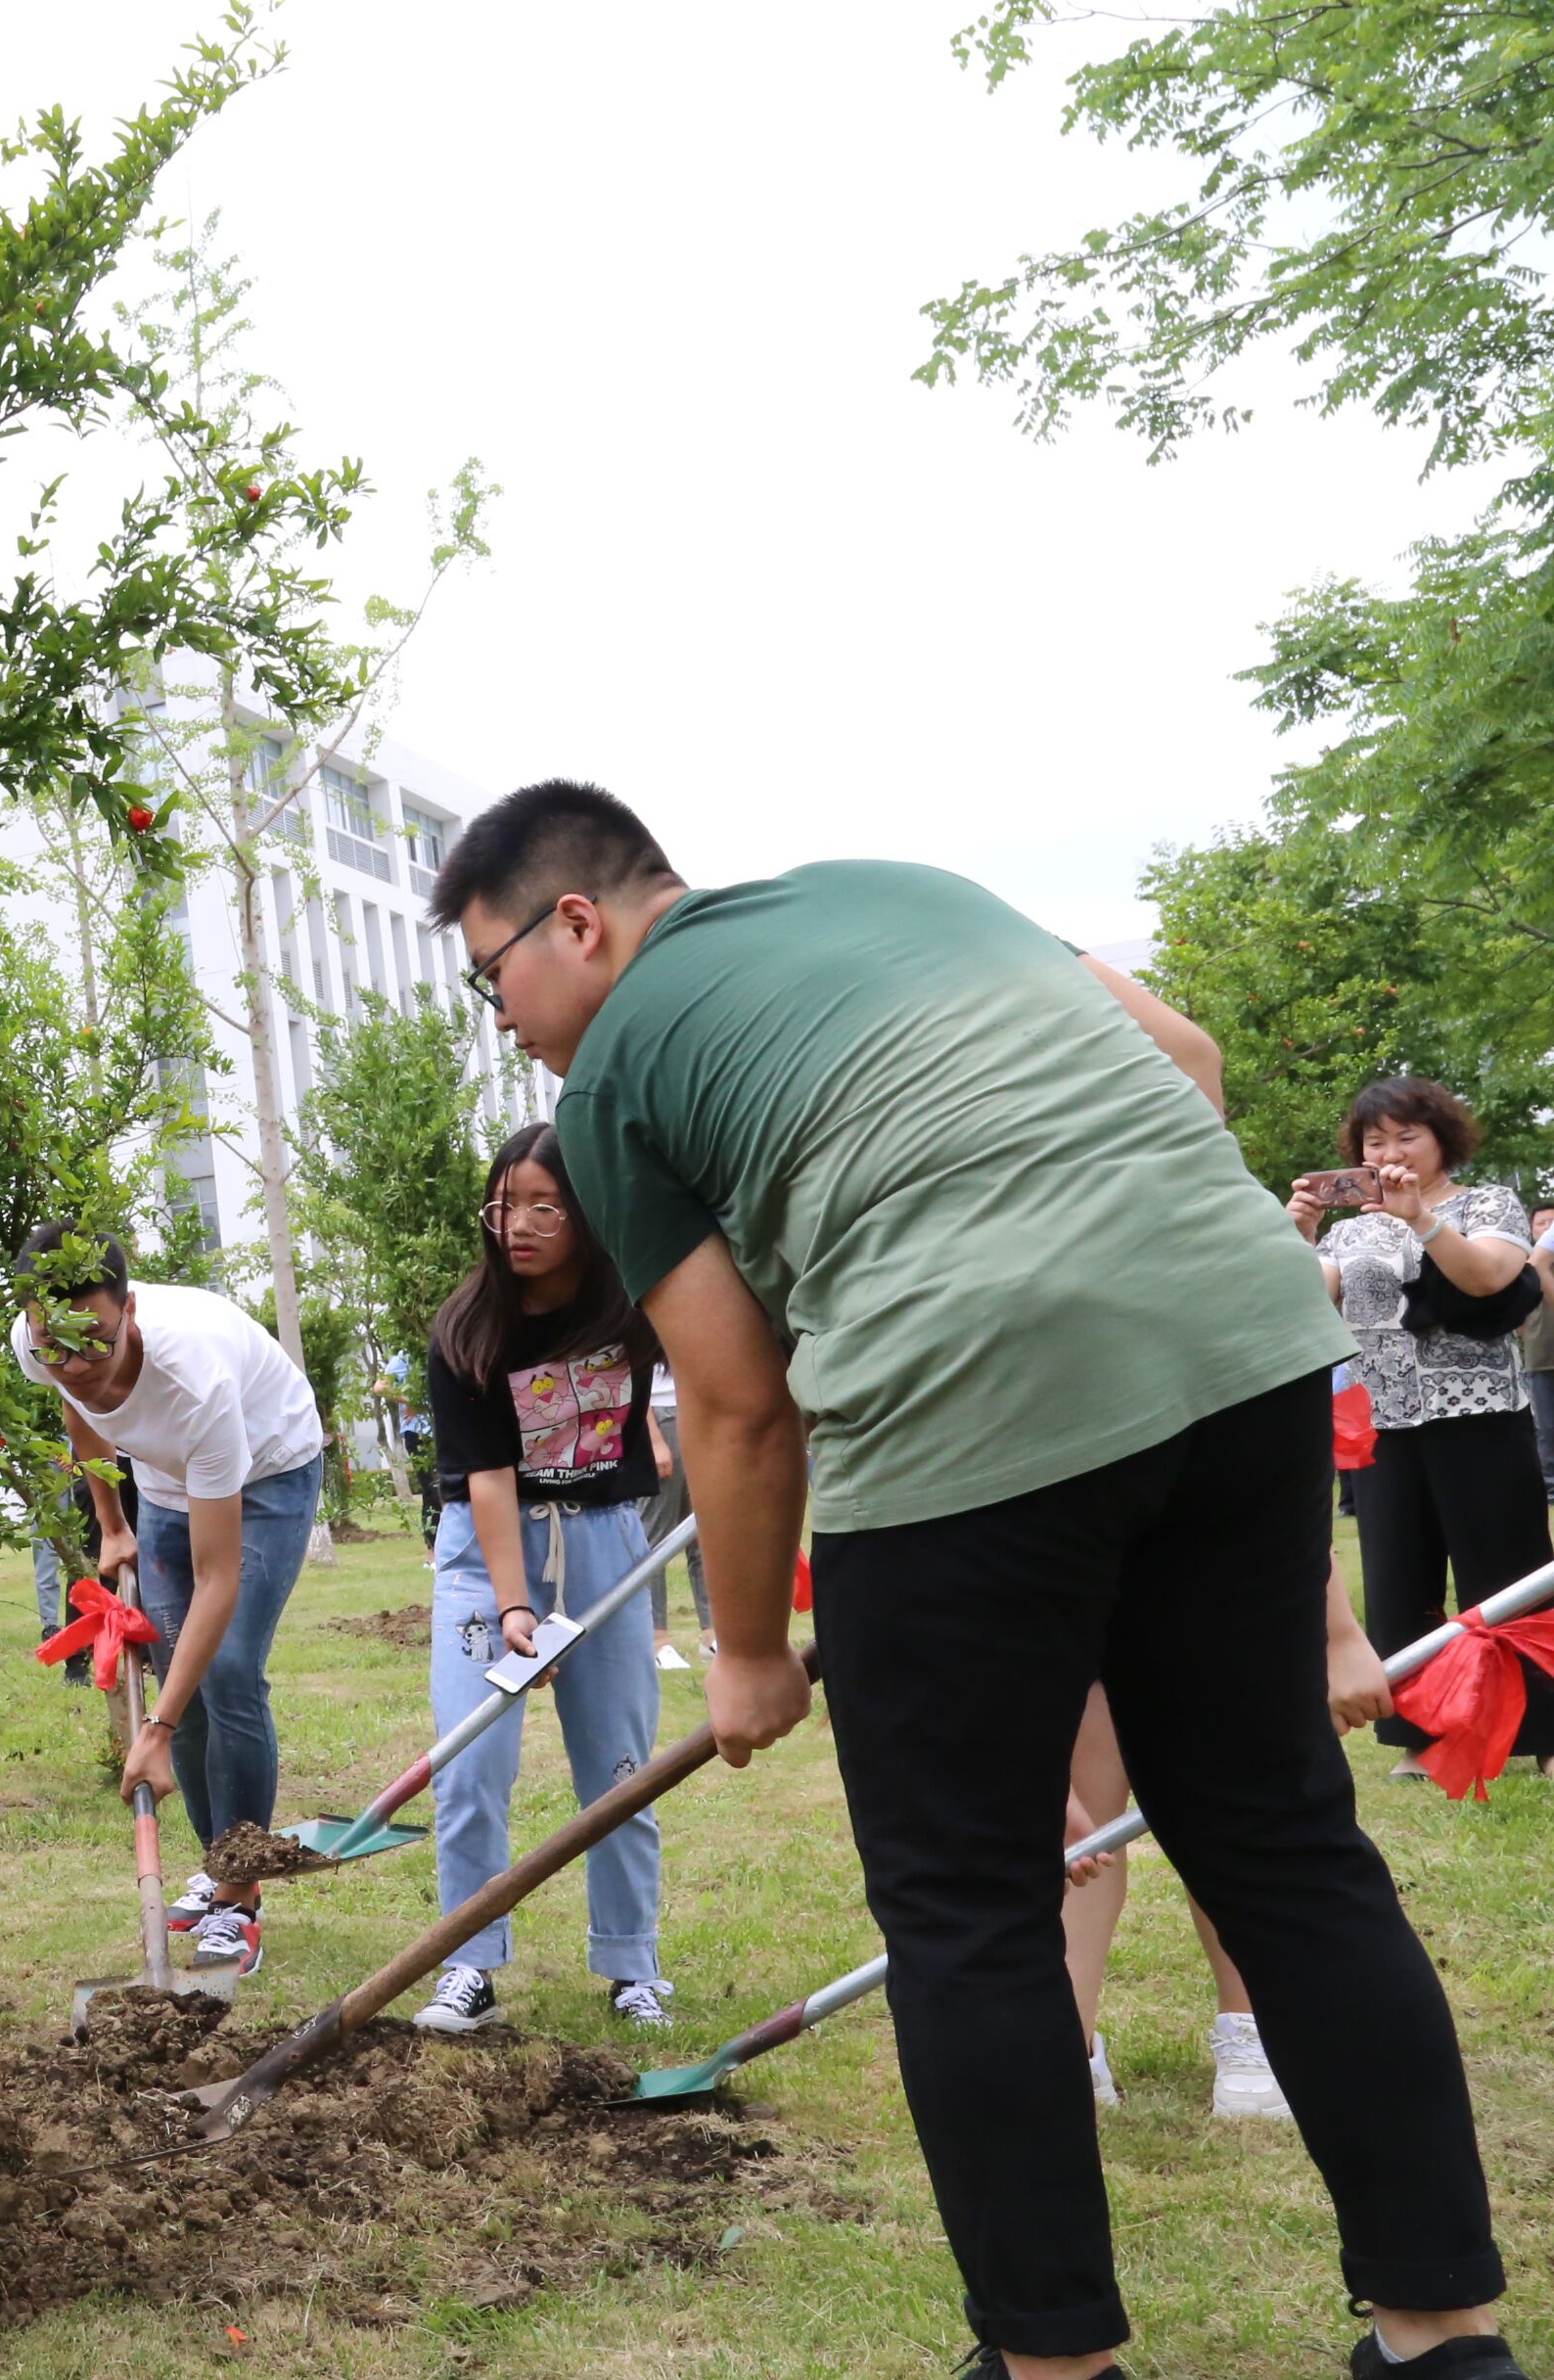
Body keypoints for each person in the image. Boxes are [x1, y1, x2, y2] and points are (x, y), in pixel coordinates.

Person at [439, 776, 1520, 2380]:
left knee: (968, 1907)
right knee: (1282, 1840)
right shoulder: (902, 886)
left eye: (494, 977)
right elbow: (1188, 1065)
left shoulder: (614, 1085)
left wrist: (743, 1652)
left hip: (963, 1402)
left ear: (576, 922)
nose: (505, 1022)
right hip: (1238, 1341)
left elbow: (735, 1402)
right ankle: (1442, 2339)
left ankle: (1051, 2364)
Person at [407, 1121, 677, 2038]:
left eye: (540, 1205)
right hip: (487, 1558)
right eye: (503, 1203)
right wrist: (516, 1603)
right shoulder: (466, 1330)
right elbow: (486, 1477)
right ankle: (468, 1965)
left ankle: (632, 1964)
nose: (514, 1223)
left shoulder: (637, 1304)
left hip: (603, 1542)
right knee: (471, 1768)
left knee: (619, 1769)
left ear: (585, 1213)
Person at [14, 1223, 325, 1978]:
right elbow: (78, 1411)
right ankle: (218, 1861)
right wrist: (112, 1522)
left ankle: (241, 1895)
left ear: (131, 1313)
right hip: (158, 1483)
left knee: (227, 1671)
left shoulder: (197, 1379)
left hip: (266, 1472)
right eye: (55, 1346)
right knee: (169, 1672)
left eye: (98, 1344)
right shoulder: (42, 1342)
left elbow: (220, 1578)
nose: (77, 1364)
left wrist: (151, 1730)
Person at [1063, 1555, 1394, 2124]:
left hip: (1210, 1582)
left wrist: (1338, 1630)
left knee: (1230, 1814)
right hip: (1075, 1574)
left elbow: (1288, 1475)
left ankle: (1250, 2025)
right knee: (1083, 1833)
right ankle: (1067, 2041)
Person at [1287, 1080, 1554, 1774]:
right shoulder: (1352, 1230)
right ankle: (1422, 1733)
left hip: (1481, 1414)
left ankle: (1545, 1732)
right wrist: (1300, 1237)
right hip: (1382, 1422)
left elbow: (1490, 1279)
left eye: (1407, 1135)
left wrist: (1423, 1222)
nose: (1391, 1151)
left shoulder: (1487, 1202)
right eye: (1376, 1141)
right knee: (1400, 1580)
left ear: (1441, 1139)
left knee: (1510, 1578)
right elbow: (1304, 1300)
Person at [641, 1361, 711, 1651]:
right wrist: (654, 1440)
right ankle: (657, 1638)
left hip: (697, 1407)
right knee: (655, 1536)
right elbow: (630, 1372)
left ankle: (712, 1631)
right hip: (660, 1414)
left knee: (705, 1532)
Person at [1519, 1210, 1554, 1498]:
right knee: (1547, 1425)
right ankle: (1551, 1486)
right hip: (1541, 1355)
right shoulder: (1523, 1265)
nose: (1548, 1227)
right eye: (1542, 1222)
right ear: (1532, 1230)